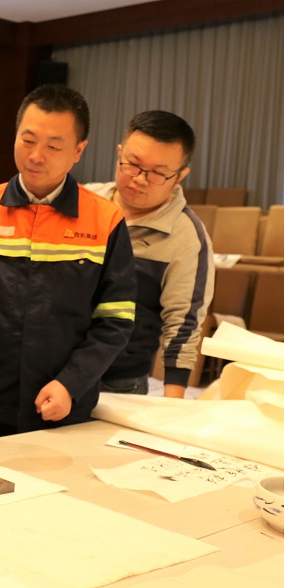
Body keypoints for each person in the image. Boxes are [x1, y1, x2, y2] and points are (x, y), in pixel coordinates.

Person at [0, 85, 136, 444]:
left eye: (54, 147)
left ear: (79, 151)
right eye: (27, 140)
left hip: (63, 406)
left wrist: (70, 383)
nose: (36, 156)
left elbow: (115, 321)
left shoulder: (106, 220)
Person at [85, 110, 214, 397]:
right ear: (119, 153)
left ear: (180, 176)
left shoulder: (186, 236)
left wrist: (172, 405)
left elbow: (183, 325)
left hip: (119, 382)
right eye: (132, 164)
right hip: (51, 370)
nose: (140, 179)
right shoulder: (84, 203)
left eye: (157, 173)